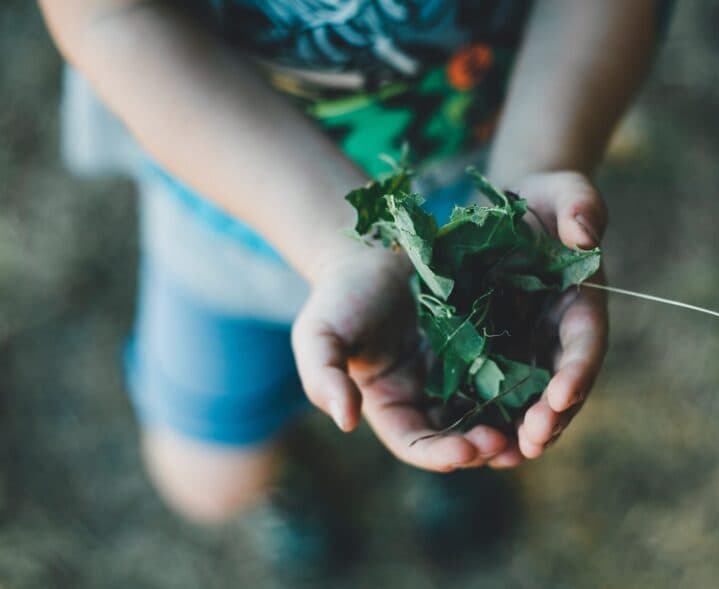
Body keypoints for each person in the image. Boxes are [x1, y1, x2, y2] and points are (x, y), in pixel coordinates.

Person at [38, 0, 671, 569]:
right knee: (210, 482)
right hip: (226, 219)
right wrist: (338, 245)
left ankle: (462, 427)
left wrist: (534, 167)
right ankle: (296, 477)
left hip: (479, 169)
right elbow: (109, 17)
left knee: (466, 398)